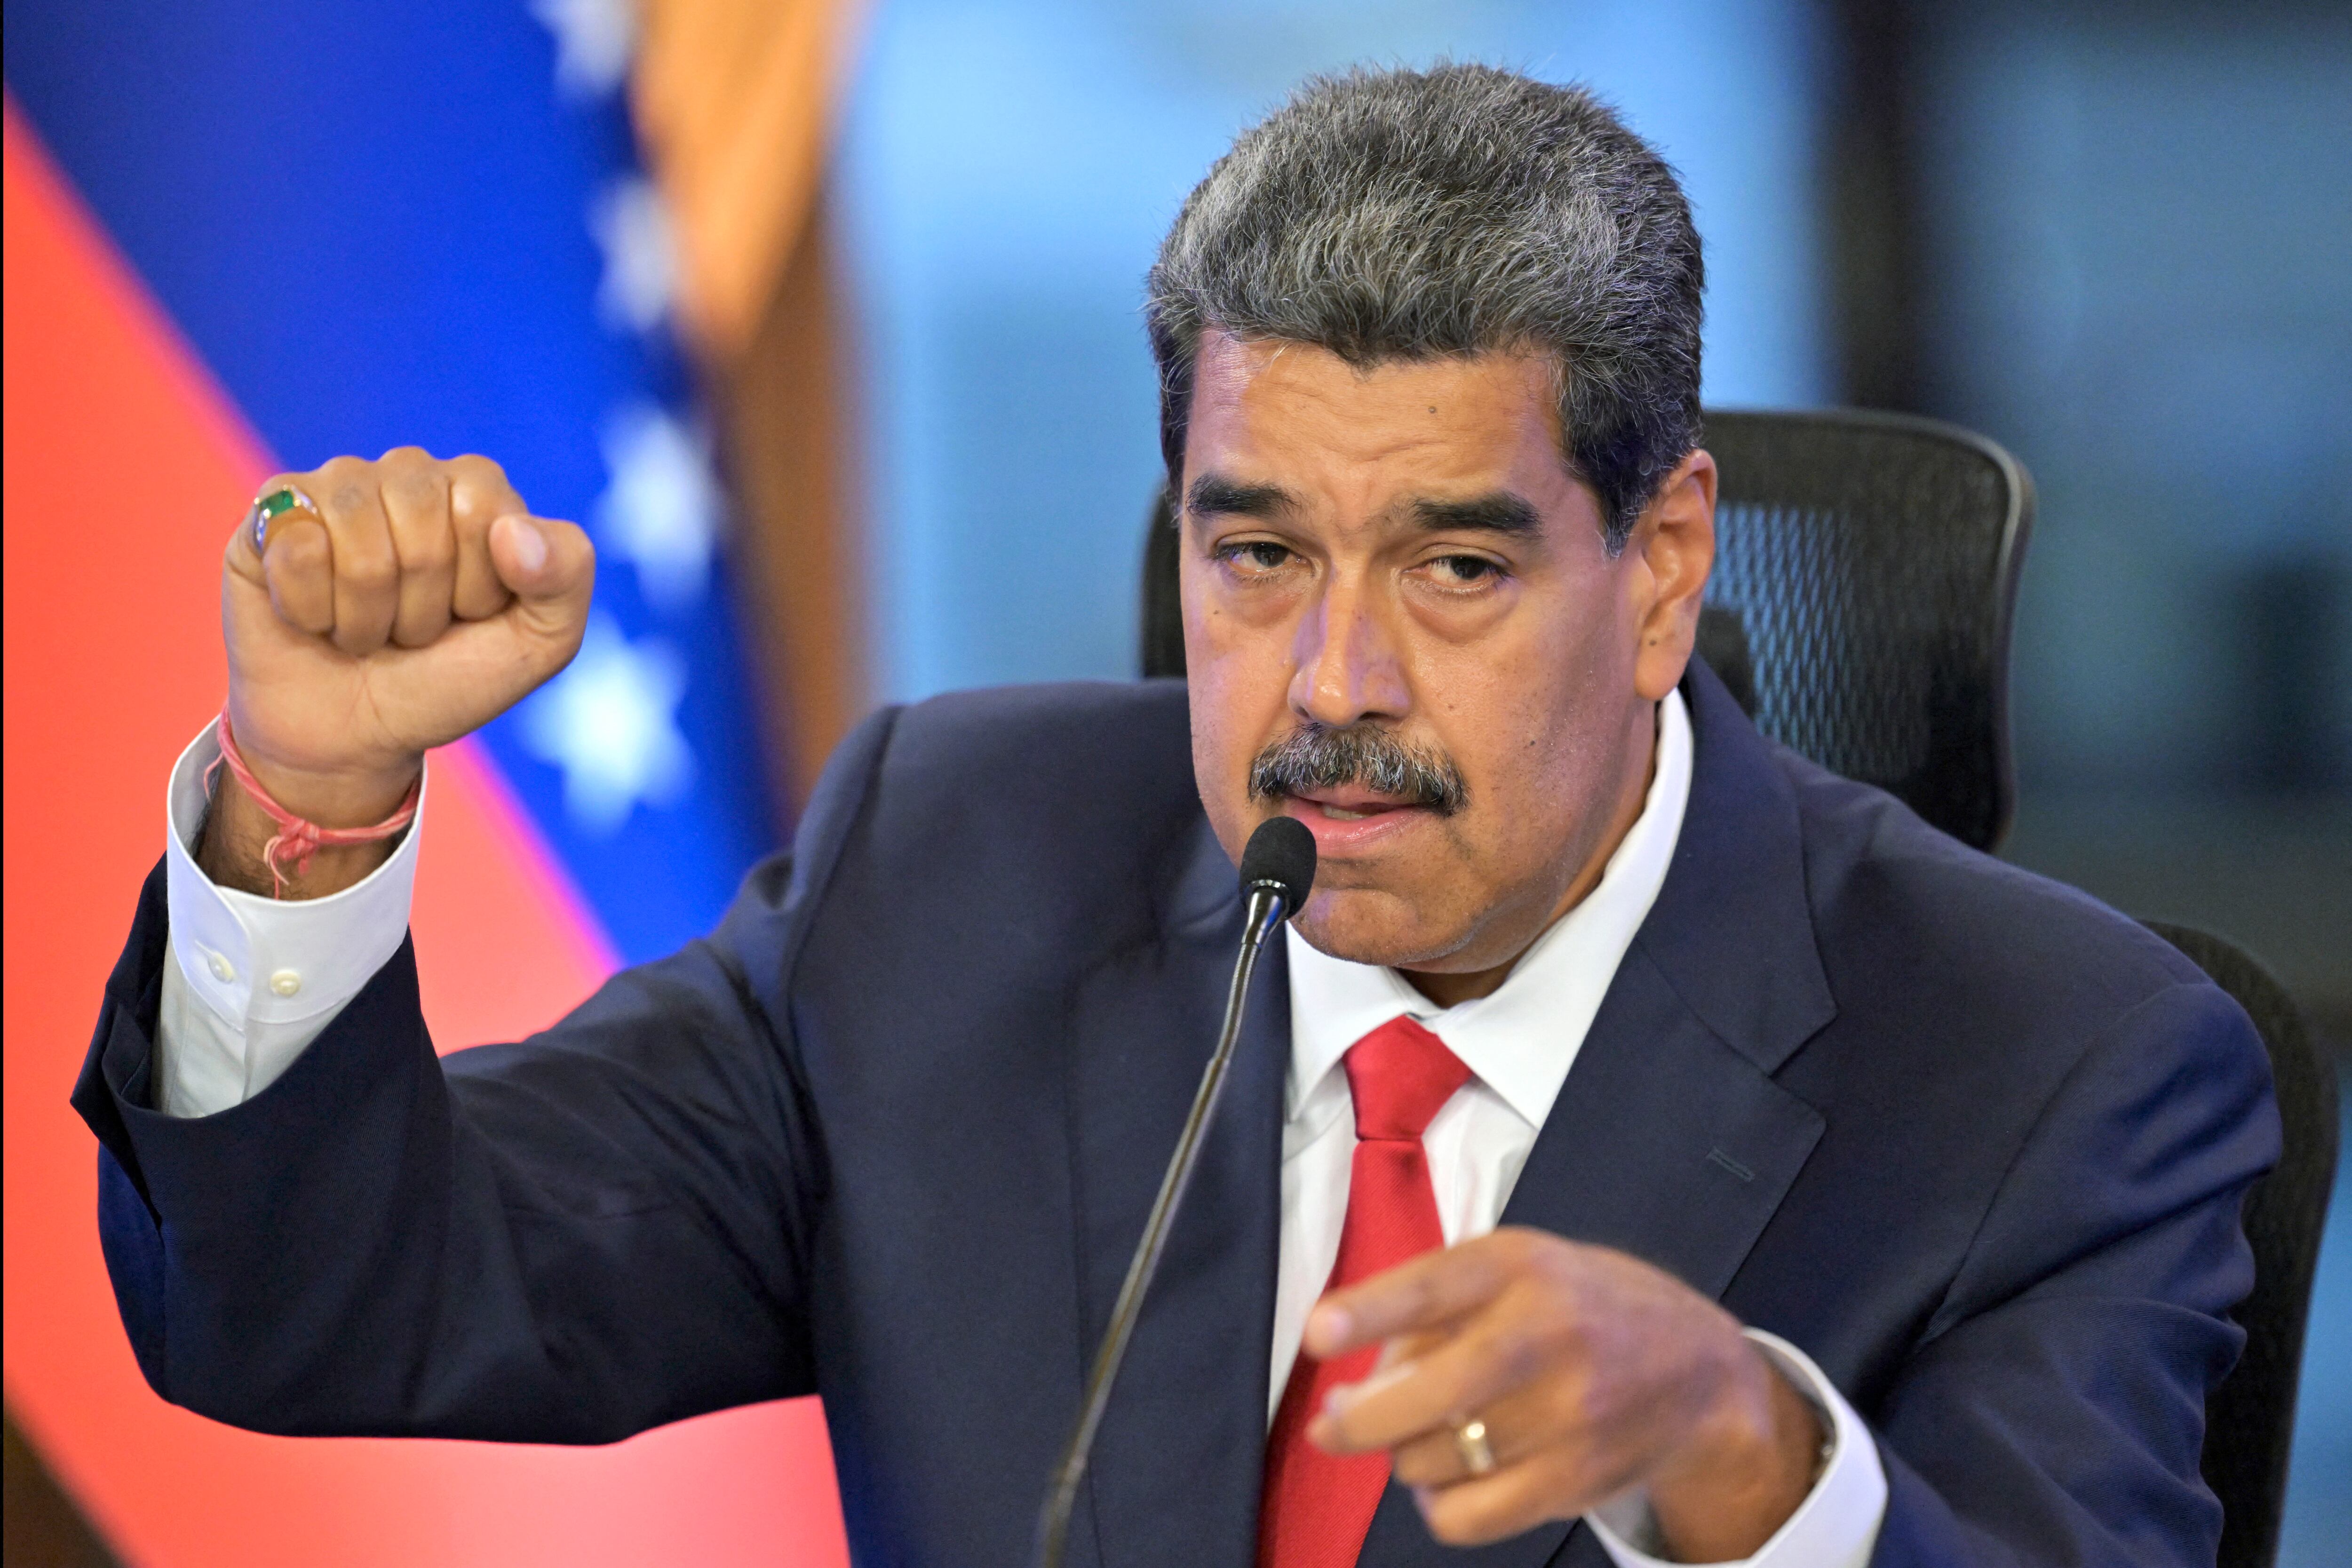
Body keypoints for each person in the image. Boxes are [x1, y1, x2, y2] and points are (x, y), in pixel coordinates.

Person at [75, 65, 2275, 1568]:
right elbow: (318, 1315)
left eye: (1456, 567)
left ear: (1666, 563)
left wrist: (1732, 1452)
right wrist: (316, 803)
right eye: (1255, 556)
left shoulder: (2057, 1068)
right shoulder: (948, 864)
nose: (1331, 686)